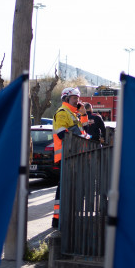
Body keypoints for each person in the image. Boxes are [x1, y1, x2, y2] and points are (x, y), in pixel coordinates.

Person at [52, 87, 88, 228]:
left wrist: (84, 114)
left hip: (74, 155)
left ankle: (67, 217)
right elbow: (63, 135)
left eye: (78, 98)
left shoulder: (74, 115)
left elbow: (86, 133)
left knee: (72, 188)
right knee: (64, 188)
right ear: (66, 98)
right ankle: (57, 220)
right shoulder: (62, 113)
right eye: (74, 98)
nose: (77, 100)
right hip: (66, 156)